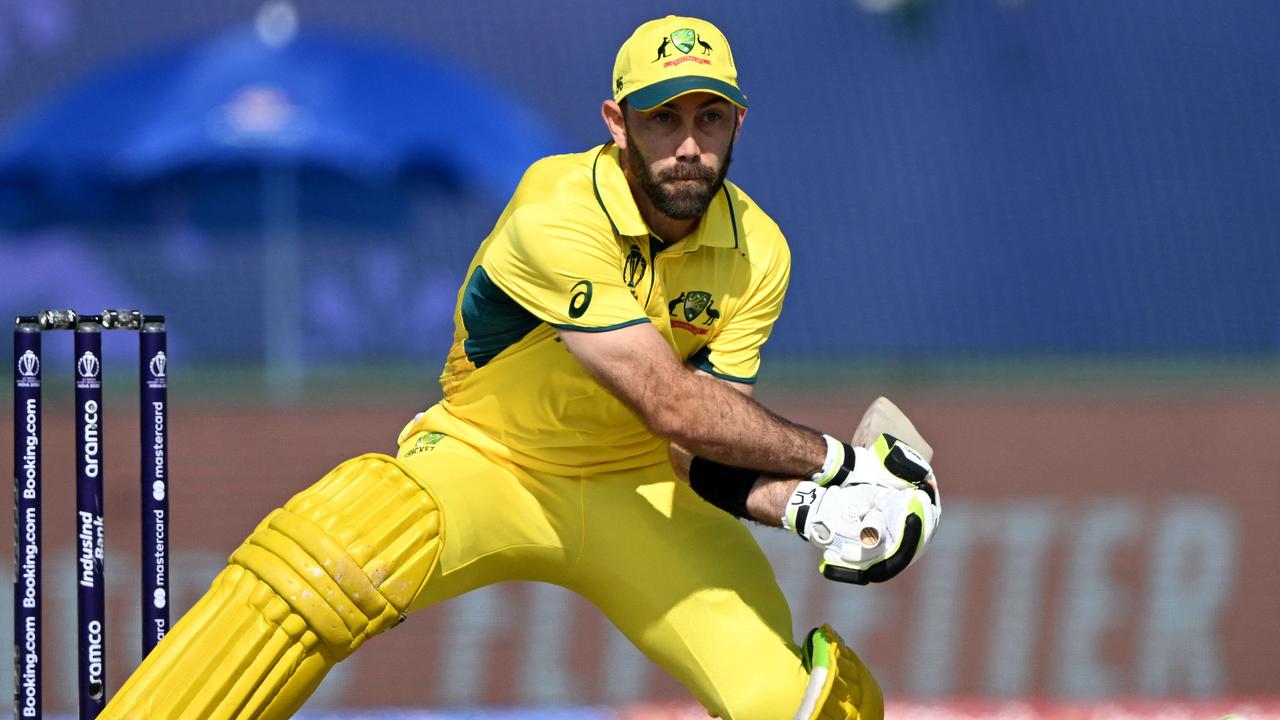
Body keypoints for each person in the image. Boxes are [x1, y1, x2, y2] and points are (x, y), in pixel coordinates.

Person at [101, 15, 940, 720]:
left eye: (710, 120)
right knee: (331, 553)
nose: (688, 147)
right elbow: (671, 404)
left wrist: (805, 511)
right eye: (661, 120)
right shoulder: (557, 209)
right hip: (486, 462)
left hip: (643, 492)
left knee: (784, 703)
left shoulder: (759, 251)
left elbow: (697, 452)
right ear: (617, 122)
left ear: (739, 124)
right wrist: (843, 467)